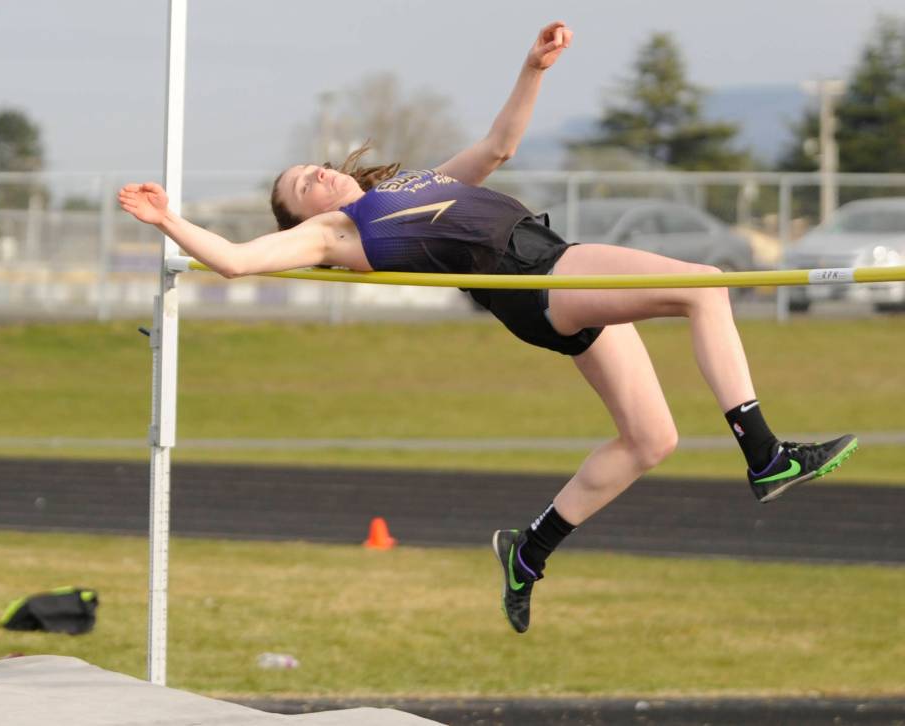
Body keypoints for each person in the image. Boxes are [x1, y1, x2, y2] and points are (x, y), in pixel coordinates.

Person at [119, 21, 858, 634]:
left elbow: (500, 144)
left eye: (313, 166)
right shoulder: (335, 236)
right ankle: (764, 454)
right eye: (300, 186)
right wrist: (171, 220)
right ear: (302, 217)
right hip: (539, 277)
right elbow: (239, 263)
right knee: (704, 288)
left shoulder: (415, 185)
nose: (316, 175)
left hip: (545, 277)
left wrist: (532, 67)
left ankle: (528, 551)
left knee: (650, 439)